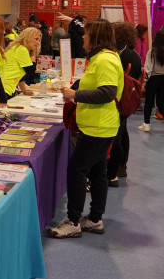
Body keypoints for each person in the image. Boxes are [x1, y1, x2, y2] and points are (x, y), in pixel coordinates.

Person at [48, 18, 124, 238]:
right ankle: (94, 219)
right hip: (96, 126)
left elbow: (108, 92)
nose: (83, 37)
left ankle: (73, 221)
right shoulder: (100, 58)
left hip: (99, 127)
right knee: (98, 172)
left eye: (87, 33)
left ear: (97, 36)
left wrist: (75, 95)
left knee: (77, 170)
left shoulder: (105, 60)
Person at [107, 22, 141, 185]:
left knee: (116, 138)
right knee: (122, 134)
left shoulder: (126, 56)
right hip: (126, 102)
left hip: (123, 102)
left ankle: (114, 171)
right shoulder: (129, 53)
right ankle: (121, 166)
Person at [2, 27, 41, 98]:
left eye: (39, 40)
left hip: (5, 87)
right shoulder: (22, 49)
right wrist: (33, 54)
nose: (38, 43)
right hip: (5, 87)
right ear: (27, 38)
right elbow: (31, 70)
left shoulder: (17, 47)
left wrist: (24, 91)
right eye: (36, 39)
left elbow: (20, 76)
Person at [138, 27, 164, 132]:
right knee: (162, 103)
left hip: (153, 79)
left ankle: (146, 124)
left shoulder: (152, 51)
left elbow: (148, 69)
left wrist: (143, 83)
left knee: (149, 102)